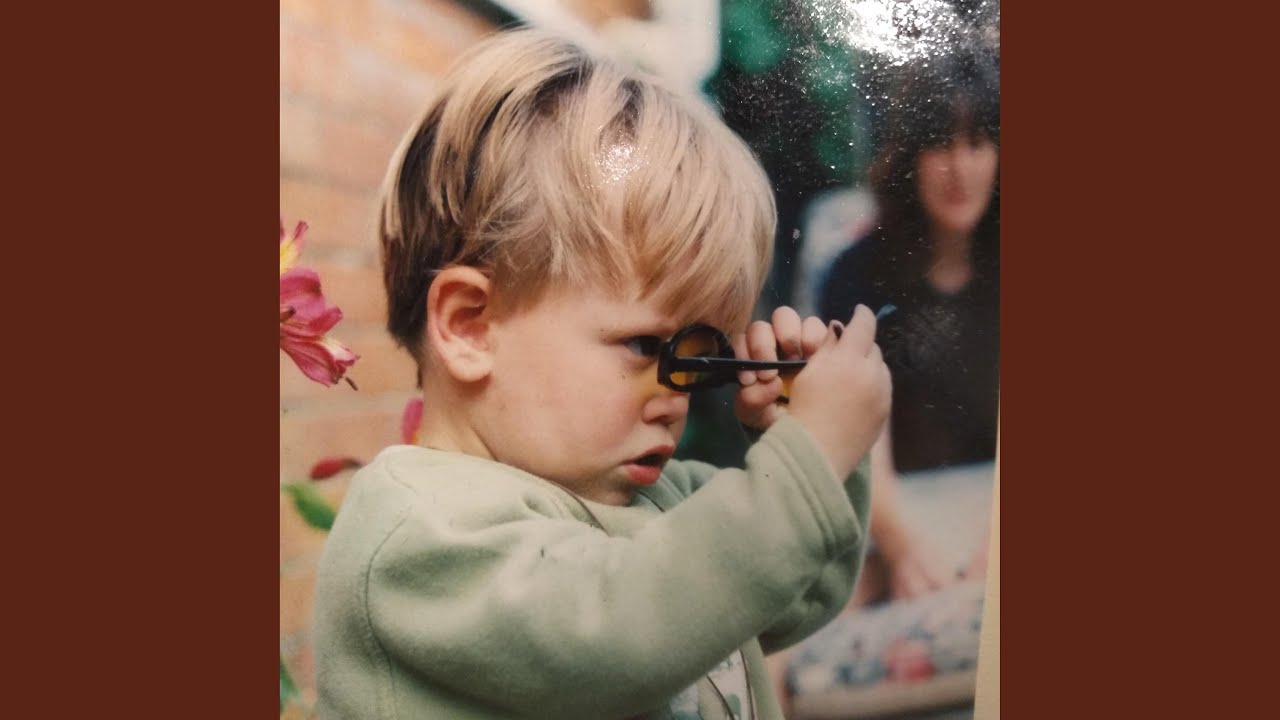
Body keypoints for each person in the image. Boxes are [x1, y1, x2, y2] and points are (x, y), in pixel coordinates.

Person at [312, 29, 892, 720]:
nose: (675, 395)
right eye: (646, 345)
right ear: (470, 326)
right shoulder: (417, 534)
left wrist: (803, 444)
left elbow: (794, 585)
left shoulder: (659, 502)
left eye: (695, 353)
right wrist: (808, 460)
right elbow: (614, 629)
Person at [818, 46, 1000, 605]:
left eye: (977, 144)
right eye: (940, 144)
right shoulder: (855, 274)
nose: (959, 168)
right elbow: (853, 431)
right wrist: (903, 549)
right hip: (889, 525)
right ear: (909, 157)